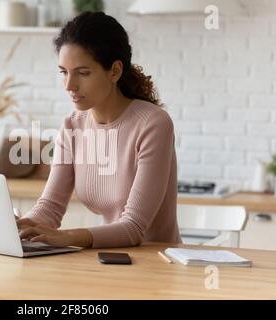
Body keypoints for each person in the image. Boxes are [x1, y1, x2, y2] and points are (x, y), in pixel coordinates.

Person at [16, 11, 181, 248]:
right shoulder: (72, 125)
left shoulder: (153, 124)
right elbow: (50, 207)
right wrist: (22, 226)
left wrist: (67, 237)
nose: (69, 85)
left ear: (114, 71)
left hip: (156, 265)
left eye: (83, 73)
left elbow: (133, 227)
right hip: (107, 259)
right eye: (64, 72)